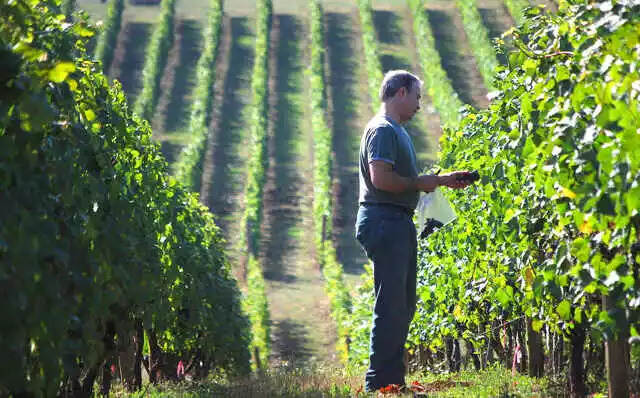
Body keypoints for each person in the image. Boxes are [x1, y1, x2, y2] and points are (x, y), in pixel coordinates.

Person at [355, 70, 473, 392]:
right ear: (401, 93)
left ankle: (392, 380)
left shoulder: (397, 131)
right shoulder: (382, 130)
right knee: (391, 303)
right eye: (418, 96)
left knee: (403, 303)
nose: (420, 105)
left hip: (396, 220)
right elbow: (381, 180)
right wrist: (419, 183)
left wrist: (442, 179)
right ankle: (378, 383)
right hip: (385, 220)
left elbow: (403, 181)